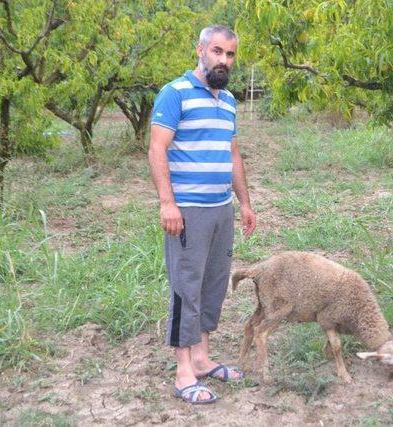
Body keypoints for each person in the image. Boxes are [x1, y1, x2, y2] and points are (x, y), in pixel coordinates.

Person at [148, 24, 256, 405]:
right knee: (186, 286)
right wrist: (167, 203)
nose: (223, 60)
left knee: (213, 283)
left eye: (230, 54)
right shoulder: (174, 93)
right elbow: (157, 149)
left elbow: (233, 155)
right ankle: (183, 372)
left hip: (221, 209)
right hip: (188, 212)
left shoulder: (227, 100)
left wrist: (243, 202)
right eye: (217, 51)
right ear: (200, 50)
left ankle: (203, 358)